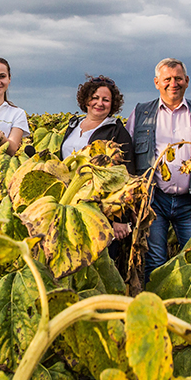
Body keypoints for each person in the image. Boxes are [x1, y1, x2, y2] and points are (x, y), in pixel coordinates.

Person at [125, 58, 191, 280]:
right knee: (155, 260)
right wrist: (131, 200)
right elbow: (128, 158)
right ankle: (159, 306)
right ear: (157, 82)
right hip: (154, 200)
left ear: (187, 81)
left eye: (178, 78)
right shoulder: (141, 113)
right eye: (167, 79)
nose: (173, 83)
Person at [62, 75, 137, 250]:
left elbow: (126, 176)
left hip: (99, 208)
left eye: (106, 100)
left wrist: (118, 218)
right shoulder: (74, 125)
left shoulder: (117, 130)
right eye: (95, 98)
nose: (99, 103)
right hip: (69, 200)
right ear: (86, 99)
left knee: (98, 257)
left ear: (113, 104)